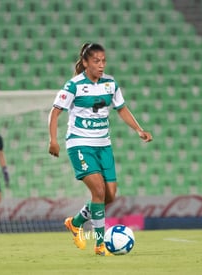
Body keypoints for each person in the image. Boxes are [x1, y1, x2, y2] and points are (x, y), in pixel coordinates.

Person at [48, 43, 153, 256]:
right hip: (80, 144)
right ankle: (99, 243)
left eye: (103, 61)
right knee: (98, 190)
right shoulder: (74, 86)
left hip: (103, 145)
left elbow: (122, 109)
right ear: (85, 62)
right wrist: (53, 140)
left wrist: (138, 130)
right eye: (96, 61)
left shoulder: (110, 84)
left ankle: (75, 222)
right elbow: (55, 112)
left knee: (110, 195)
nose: (101, 65)